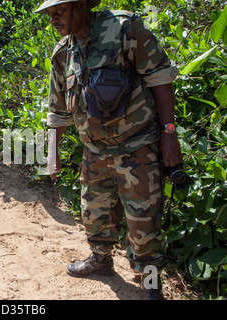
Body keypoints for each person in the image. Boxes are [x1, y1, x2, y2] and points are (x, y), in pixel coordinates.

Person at [34, 0, 182, 299]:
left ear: (83, 5)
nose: (53, 19)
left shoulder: (124, 29)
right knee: (93, 213)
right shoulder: (64, 52)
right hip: (94, 152)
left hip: (137, 146)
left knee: (143, 223)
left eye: (59, 11)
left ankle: (151, 280)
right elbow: (58, 109)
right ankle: (101, 261)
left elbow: (160, 78)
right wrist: (52, 153)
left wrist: (169, 133)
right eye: (50, 14)